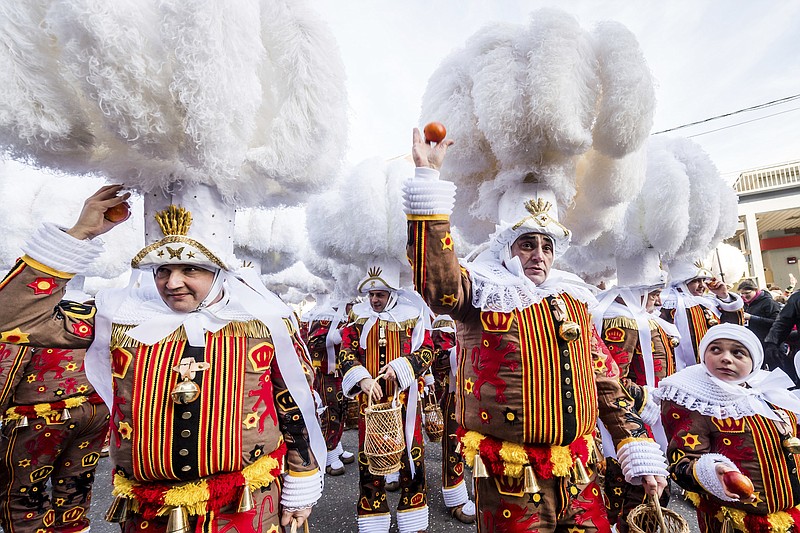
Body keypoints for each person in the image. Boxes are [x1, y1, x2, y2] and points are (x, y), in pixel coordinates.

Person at [0, 184, 325, 532]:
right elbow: (12, 318)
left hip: (243, 505)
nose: (172, 283)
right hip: (148, 509)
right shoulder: (120, 318)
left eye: (190, 269)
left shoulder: (261, 322)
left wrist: (301, 483)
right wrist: (80, 234)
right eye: (162, 270)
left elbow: (294, 405)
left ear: (219, 273)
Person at [403, 129, 668, 532]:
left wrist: (635, 442)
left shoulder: (572, 298)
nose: (539, 256)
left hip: (580, 469)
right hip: (509, 477)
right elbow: (439, 288)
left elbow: (604, 378)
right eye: (527, 244)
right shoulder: (482, 290)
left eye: (546, 246)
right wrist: (428, 183)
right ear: (506, 248)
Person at [654, 323, 800, 532]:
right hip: (733, 519)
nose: (726, 358)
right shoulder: (696, 402)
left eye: (738, 352)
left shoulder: (769, 392)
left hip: (789, 513)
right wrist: (713, 471)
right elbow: (681, 463)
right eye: (716, 349)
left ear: (754, 362)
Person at [0, 279, 109, 533]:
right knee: (76, 486)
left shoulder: (29, 315)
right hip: (95, 410)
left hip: (41, 415)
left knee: (23, 493)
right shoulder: (99, 310)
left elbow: (8, 367)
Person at [337, 262, 434, 533]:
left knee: (412, 456)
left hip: (404, 401)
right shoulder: (358, 316)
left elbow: (428, 350)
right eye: (371, 295)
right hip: (370, 404)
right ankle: (372, 511)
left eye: (379, 294)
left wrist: (402, 366)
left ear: (391, 292)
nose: (374, 300)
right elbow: (346, 351)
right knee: (369, 456)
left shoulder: (412, 314)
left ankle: (413, 512)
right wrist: (362, 378)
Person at [592, 253, 679, 531]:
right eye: (653, 293)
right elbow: (612, 378)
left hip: (650, 414)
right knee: (635, 489)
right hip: (635, 417)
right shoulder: (621, 322)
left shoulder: (642, 318)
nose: (658, 300)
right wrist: (645, 399)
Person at [429, 315, 476, 524]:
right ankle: (455, 497)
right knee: (453, 447)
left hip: (483, 394)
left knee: (483, 447)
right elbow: (437, 360)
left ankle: (483, 492)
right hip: (455, 395)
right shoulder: (443, 321)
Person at [303, 297, 356, 476]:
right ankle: (327, 454)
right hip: (325, 374)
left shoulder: (343, 316)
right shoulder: (324, 316)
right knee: (329, 413)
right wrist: (334, 337)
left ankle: (336, 446)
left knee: (341, 411)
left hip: (340, 374)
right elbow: (312, 343)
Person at [660, 260, 744, 370]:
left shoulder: (709, 302)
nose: (702, 286)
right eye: (696, 281)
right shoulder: (667, 304)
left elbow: (731, 329)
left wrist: (724, 296)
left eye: (703, 280)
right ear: (682, 282)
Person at [737, 279, 780, 350]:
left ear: (756, 290)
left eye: (747, 293)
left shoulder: (769, 302)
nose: (744, 296)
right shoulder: (744, 304)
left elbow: (776, 323)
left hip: (769, 344)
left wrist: (751, 317)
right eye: (742, 294)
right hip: (753, 342)